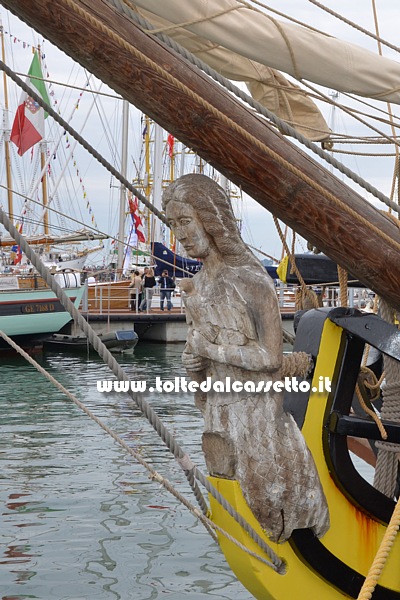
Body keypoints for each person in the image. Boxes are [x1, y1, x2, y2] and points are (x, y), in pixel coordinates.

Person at [163, 173, 329, 543]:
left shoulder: (251, 282)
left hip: (258, 422)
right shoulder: (198, 285)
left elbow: (270, 358)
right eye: (173, 225)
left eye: (185, 221)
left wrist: (210, 351)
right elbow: (201, 363)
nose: (180, 234)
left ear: (211, 219)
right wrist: (195, 366)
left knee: (272, 505)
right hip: (219, 419)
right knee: (233, 504)